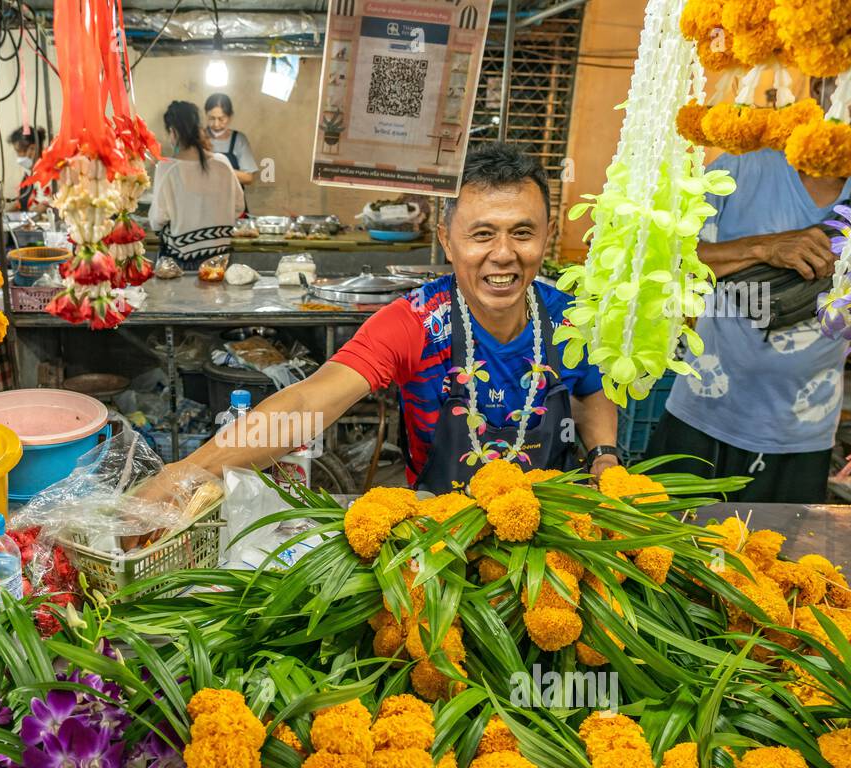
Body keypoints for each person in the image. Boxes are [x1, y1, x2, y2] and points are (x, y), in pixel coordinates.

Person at [144, 142, 619, 497]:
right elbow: (309, 400)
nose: (503, 254)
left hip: (556, 531)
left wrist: (604, 457)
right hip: (439, 539)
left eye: (523, 233)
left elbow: (590, 390)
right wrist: (180, 474)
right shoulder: (416, 322)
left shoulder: (570, 317)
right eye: (481, 234)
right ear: (447, 240)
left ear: (547, 236)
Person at [645, 73, 851, 503]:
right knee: (667, 554)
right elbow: (666, 261)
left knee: (771, 563)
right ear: (821, 88)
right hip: (703, 415)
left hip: (802, 435)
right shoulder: (743, 166)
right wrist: (763, 247)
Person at [149, 101, 245, 269]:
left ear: (173, 132)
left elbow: (157, 220)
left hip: (179, 262)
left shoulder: (166, 167)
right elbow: (238, 207)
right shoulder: (223, 163)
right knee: (219, 295)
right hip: (220, 259)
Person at [204, 93, 257, 188]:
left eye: (221, 119)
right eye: (211, 118)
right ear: (206, 115)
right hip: (203, 200)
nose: (216, 124)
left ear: (230, 117)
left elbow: (248, 178)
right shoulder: (197, 137)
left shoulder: (239, 139)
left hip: (232, 201)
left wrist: (221, 169)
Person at [7, 126, 51, 212]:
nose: (19, 156)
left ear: (32, 149)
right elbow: (21, 202)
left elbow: (46, 203)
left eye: (19, 151)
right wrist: (5, 216)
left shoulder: (47, 172)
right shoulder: (28, 174)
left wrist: (28, 219)